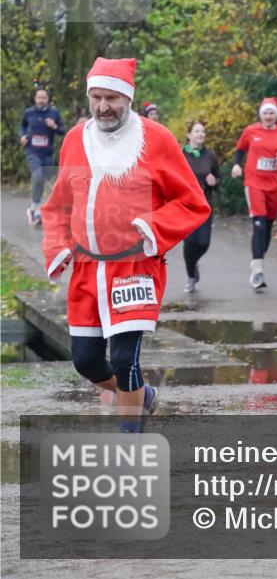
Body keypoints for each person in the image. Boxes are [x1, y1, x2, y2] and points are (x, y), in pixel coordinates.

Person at [41, 57, 210, 431]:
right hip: (87, 269)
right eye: (97, 98)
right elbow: (57, 205)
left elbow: (193, 203)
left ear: (129, 99)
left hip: (135, 269)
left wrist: (153, 227)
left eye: (112, 98)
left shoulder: (157, 139)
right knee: (85, 360)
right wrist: (57, 246)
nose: (103, 107)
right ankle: (142, 398)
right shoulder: (75, 140)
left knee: (124, 358)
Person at [231, 97, 277, 290]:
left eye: (271, 113)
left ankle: (257, 261)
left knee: (267, 227)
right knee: (258, 224)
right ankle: (257, 270)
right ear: (261, 114)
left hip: (275, 186)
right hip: (254, 183)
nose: (268, 116)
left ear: (276, 116)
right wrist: (236, 165)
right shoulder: (251, 131)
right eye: (265, 113)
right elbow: (240, 150)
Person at [181, 120, 221, 293]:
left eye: (202, 131)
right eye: (197, 131)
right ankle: (191, 276)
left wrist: (214, 181)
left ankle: (193, 262)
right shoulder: (179, 154)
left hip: (205, 205)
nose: (200, 134)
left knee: (203, 243)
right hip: (184, 205)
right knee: (190, 241)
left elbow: (219, 178)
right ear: (189, 135)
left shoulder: (210, 156)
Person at [19, 87, 65, 226]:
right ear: (35, 99)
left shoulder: (54, 113)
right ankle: (36, 208)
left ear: (47, 99)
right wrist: (22, 136)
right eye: (39, 97)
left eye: (43, 97)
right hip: (33, 151)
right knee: (37, 176)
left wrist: (54, 126)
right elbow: (22, 126)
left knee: (46, 181)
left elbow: (62, 131)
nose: (41, 100)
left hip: (47, 153)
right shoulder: (29, 113)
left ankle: (35, 209)